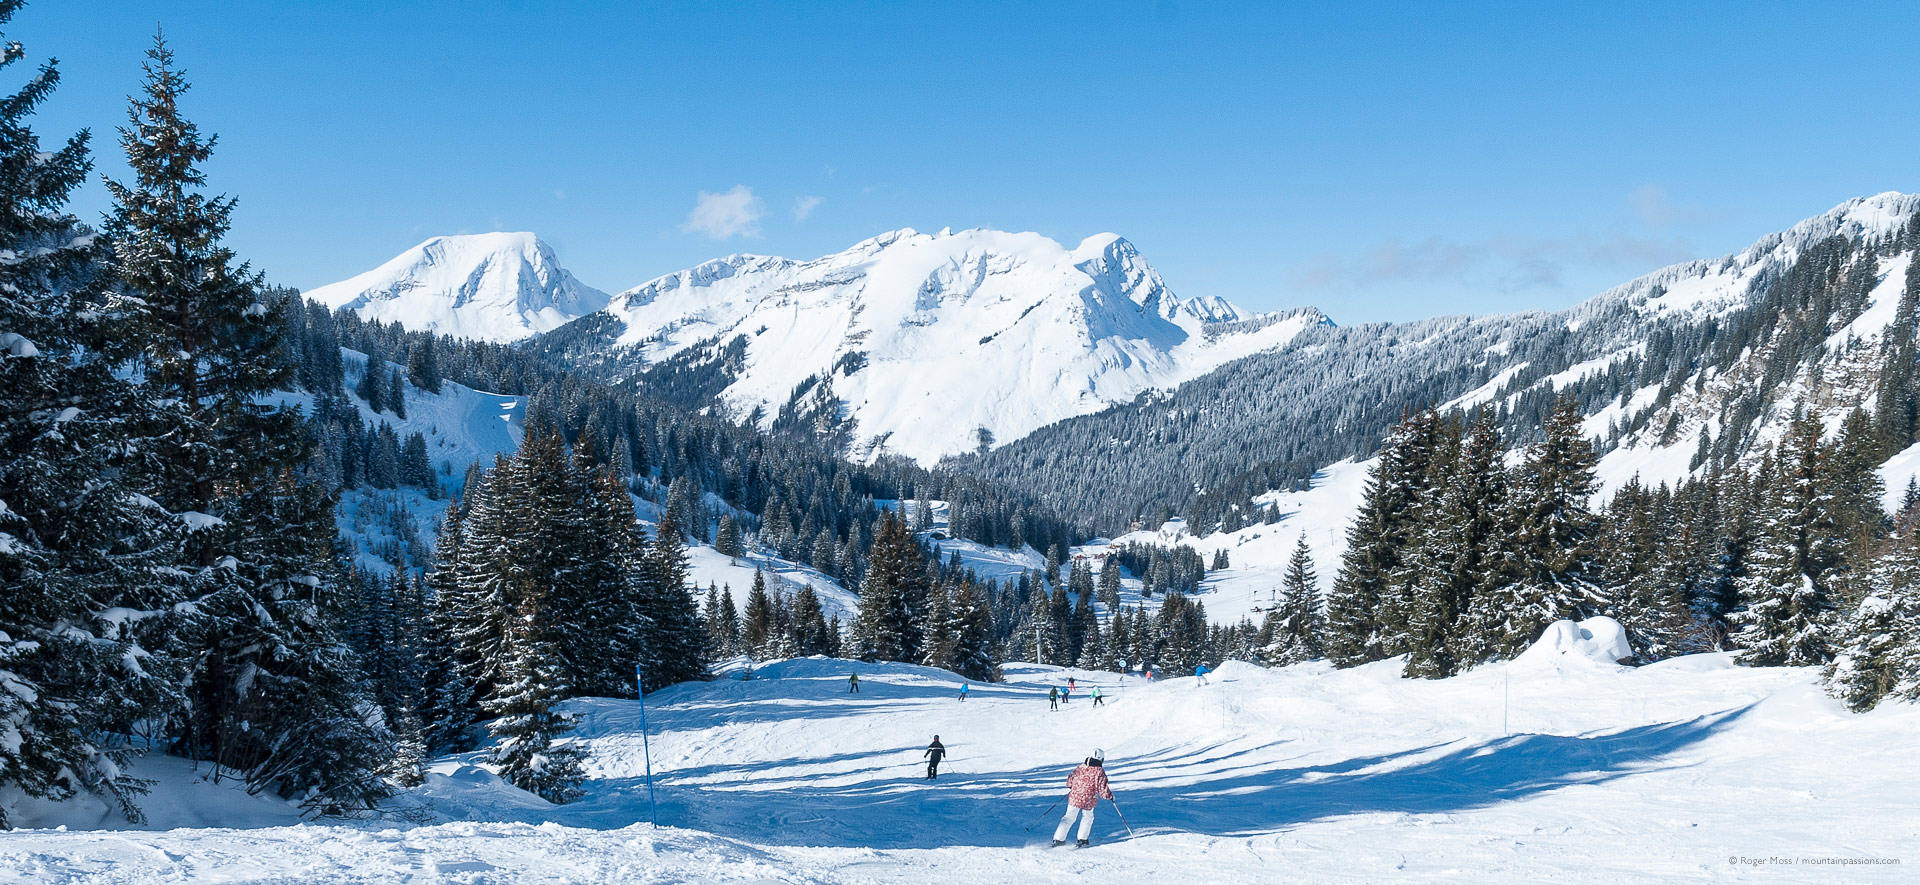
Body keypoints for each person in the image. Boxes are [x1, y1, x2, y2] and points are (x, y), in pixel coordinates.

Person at [1051, 749, 1114, 847]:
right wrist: (1110, 796)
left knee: (1069, 817)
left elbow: (1070, 779)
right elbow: (1103, 788)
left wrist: (1072, 786)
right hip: (1088, 799)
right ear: (1101, 759)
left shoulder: (1081, 767)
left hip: (1074, 797)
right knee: (1087, 817)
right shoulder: (1099, 771)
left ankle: (1058, 839)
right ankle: (1082, 839)